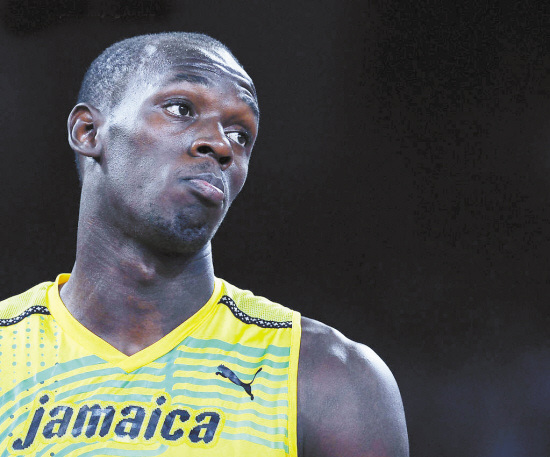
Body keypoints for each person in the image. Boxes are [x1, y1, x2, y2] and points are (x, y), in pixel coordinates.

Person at [0, 32, 408, 456]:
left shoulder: (326, 379)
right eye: (181, 109)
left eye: (240, 134)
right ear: (88, 132)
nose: (220, 145)